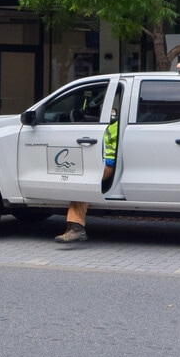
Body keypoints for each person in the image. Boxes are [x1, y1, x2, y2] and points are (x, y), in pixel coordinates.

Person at [55, 83, 122, 246]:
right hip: (112, 165)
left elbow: (110, 159)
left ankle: (76, 227)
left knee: (82, 185)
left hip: (109, 166)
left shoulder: (113, 127)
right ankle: (75, 227)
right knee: (84, 182)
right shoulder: (117, 125)